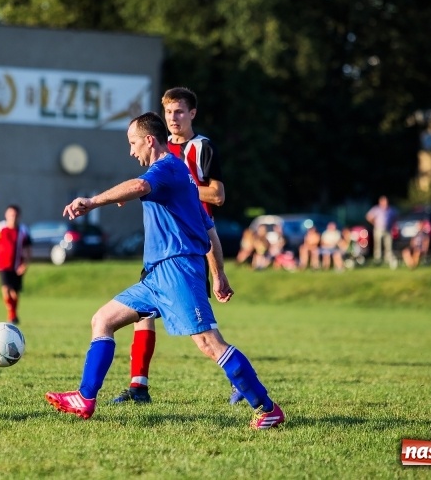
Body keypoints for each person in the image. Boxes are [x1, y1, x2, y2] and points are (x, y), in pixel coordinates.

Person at [45, 111, 285, 430]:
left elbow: (141, 184)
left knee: (209, 343)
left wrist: (93, 202)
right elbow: (208, 226)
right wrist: (219, 274)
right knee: (102, 320)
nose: (131, 152)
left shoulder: (167, 167)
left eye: (133, 144)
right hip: (156, 275)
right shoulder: (180, 175)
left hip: (178, 270)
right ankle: (85, 398)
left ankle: (266, 408)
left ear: (149, 140)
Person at [111, 87, 230, 405]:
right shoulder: (158, 150)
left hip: (190, 245)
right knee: (141, 314)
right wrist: (142, 191)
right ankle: (138, 386)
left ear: (192, 114)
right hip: (161, 248)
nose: (174, 118)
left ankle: (240, 381)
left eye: (179, 111)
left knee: (204, 336)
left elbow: (217, 195)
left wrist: (178, 188)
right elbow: (146, 185)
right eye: (168, 112)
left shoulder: (200, 148)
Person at [0, 205, 31, 324]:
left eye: (15, 215)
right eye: (10, 215)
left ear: (18, 216)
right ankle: (11, 314)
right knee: (6, 288)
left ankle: (14, 314)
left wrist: (25, 264)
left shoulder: (23, 230)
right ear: (6, 215)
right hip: (2, 265)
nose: (13, 217)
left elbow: (27, 249)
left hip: (16, 266)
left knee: (15, 293)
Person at [366, 195, 397, 266]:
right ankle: (377, 259)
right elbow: (368, 216)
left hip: (388, 229)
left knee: (388, 244)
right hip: (378, 229)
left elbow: (395, 217)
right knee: (378, 244)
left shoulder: (390, 210)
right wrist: (374, 222)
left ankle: (388, 258)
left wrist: (392, 225)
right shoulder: (376, 209)